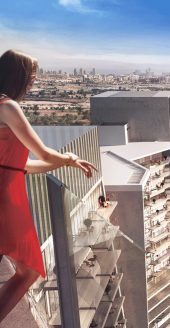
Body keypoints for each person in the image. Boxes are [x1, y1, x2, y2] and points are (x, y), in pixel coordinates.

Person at [0, 49, 96, 323]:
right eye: (31, 76)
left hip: (8, 185)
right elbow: (41, 154)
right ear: (17, 75)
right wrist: (68, 157)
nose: (34, 81)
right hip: (6, 197)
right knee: (28, 270)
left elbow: (24, 165)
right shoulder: (8, 107)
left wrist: (64, 163)